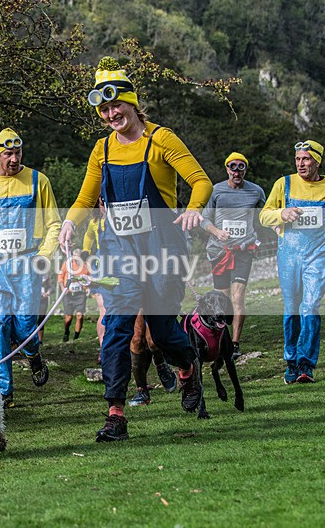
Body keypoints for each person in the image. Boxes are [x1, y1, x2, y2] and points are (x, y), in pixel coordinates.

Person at [58, 57, 213, 442]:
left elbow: (201, 182)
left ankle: (188, 368)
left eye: (117, 106)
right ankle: (116, 413)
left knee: (161, 333)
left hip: (162, 245)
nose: (111, 114)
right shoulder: (102, 149)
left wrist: (194, 210)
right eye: (104, 110)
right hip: (118, 250)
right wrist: (70, 223)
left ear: (131, 103)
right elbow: (85, 198)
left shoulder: (161, 140)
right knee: (117, 328)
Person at [0, 128, 62, 409]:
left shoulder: (39, 181)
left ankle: (33, 354)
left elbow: (54, 223)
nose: (14, 159)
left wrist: (44, 256)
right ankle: (4, 391)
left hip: (27, 263)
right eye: (8, 154)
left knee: (25, 327)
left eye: (18, 153)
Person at [259, 140, 325, 384]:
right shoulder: (284, 183)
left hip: (318, 254)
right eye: (298, 159)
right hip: (289, 255)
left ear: (317, 161)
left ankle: (305, 365)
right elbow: (264, 215)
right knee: (292, 309)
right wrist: (281, 213)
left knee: (309, 306)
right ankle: (291, 362)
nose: (301, 164)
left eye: (306, 159)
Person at [200, 152, 266, 359]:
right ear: (227, 168)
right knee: (222, 299)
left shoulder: (256, 191)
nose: (236, 172)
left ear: (245, 169)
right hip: (219, 251)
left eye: (240, 167)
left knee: (238, 296)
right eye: (232, 167)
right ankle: (221, 341)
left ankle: (235, 344)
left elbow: (266, 214)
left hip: (243, 251)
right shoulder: (216, 190)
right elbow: (204, 220)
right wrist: (217, 232)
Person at [83, 203, 107, 353]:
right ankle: (103, 348)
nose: (104, 205)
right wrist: (85, 251)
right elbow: (88, 236)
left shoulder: (119, 217)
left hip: (122, 260)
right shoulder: (95, 222)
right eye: (101, 203)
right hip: (101, 263)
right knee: (103, 309)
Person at [58, 248, 90, 342]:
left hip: (80, 294)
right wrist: (63, 288)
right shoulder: (67, 264)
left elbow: (89, 278)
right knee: (68, 317)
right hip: (68, 294)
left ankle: (76, 338)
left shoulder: (85, 265)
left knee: (80, 316)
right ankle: (66, 332)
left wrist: (88, 287)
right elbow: (60, 277)